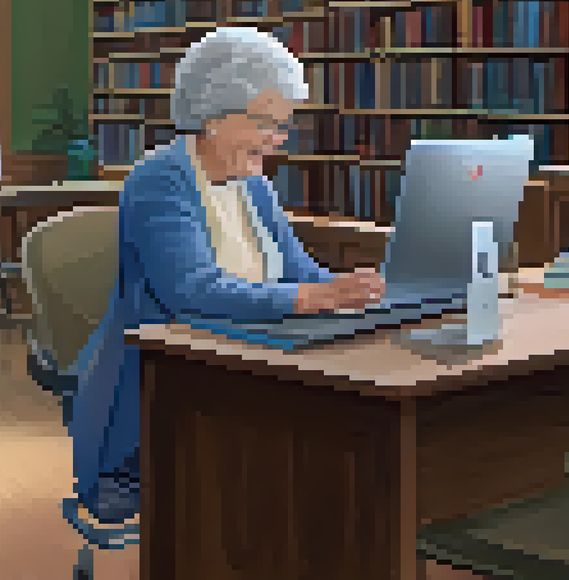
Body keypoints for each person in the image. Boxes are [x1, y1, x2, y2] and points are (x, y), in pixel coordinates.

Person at [67, 27, 386, 526]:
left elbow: (298, 271)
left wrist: (351, 290)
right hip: (168, 386)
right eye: (265, 122)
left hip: (244, 363)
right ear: (212, 116)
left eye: (283, 124)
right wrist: (309, 297)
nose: (277, 139)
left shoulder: (253, 185)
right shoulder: (160, 180)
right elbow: (190, 292)